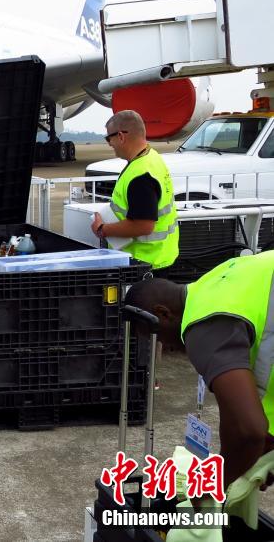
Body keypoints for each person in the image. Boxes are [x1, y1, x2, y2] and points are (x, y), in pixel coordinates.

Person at [125, 251, 274, 486]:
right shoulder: (216, 280)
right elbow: (237, 422)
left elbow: (249, 431)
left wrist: (213, 487)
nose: (169, 347)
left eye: (159, 337)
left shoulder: (203, 326)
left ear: (163, 313)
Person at [91, 110, 179, 273]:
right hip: (159, 258)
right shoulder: (152, 158)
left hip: (144, 264)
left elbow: (143, 226)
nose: (109, 143)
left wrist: (102, 229)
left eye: (109, 138)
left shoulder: (140, 175)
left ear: (121, 136)